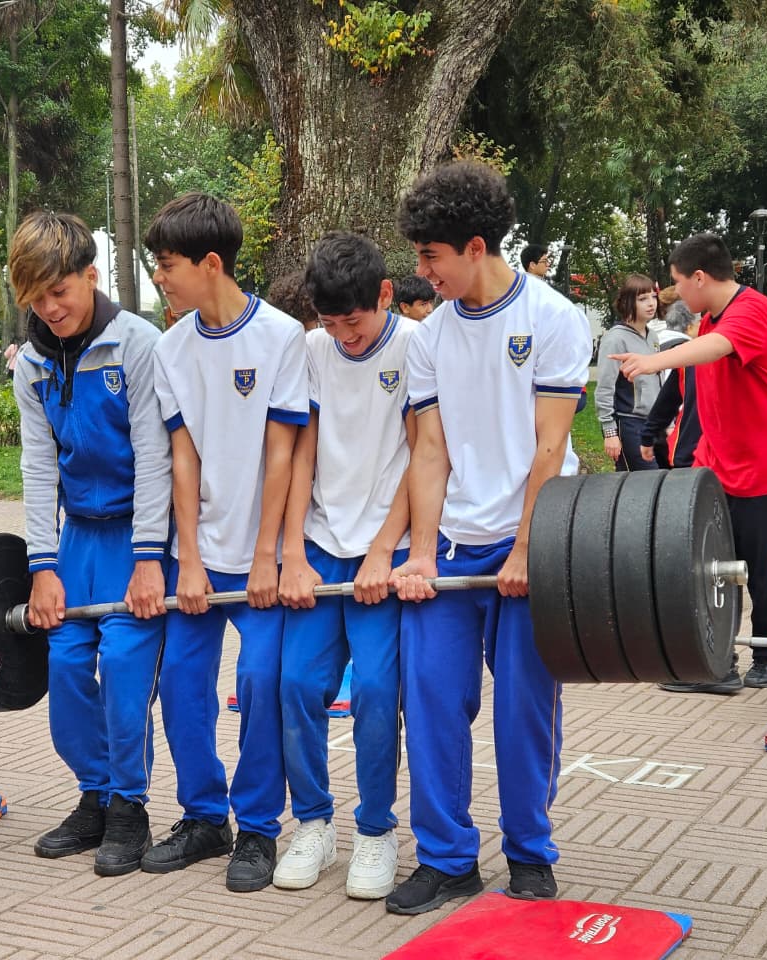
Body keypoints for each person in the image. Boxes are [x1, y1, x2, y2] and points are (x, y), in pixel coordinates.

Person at [387, 161, 591, 915]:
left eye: (430, 256)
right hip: (453, 548)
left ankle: (530, 854)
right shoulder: (429, 337)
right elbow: (430, 452)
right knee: (433, 697)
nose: (420, 271)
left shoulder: (554, 318)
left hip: (539, 538)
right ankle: (446, 859)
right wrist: (416, 553)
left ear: (475, 247)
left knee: (523, 709)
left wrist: (526, 549)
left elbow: (550, 446)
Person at [141, 192, 308, 892]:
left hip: (261, 558)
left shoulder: (280, 337)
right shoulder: (171, 348)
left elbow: (282, 455)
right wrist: (191, 558)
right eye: (155, 266)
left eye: (169, 266)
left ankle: (260, 828)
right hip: (199, 560)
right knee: (180, 684)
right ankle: (206, 817)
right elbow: (183, 457)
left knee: (260, 682)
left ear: (212, 263)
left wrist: (267, 554)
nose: (160, 279)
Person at [7, 210, 171, 876]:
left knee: (127, 673)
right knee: (68, 667)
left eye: (60, 292)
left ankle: (130, 806)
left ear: (90, 276)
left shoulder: (138, 344)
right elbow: (38, 466)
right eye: (36, 298)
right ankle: (95, 796)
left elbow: (156, 456)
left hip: (137, 533)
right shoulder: (34, 362)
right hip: (77, 540)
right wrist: (41, 567)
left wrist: (150, 559)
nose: (50, 309)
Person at [275, 231, 416, 899]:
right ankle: (312, 823)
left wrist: (387, 550)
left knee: (376, 693)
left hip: (381, 552)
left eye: (353, 322)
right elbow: (301, 454)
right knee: (294, 685)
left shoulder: (414, 349)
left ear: (383, 296)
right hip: (322, 548)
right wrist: (294, 552)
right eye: (330, 323)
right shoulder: (311, 350)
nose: (343, 336)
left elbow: (424, 458)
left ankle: (375, 831)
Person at [613, 232, 767, 691]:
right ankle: (715, 659)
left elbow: (716, 349)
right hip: (722, 468)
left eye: (679, 283)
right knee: (714, 568)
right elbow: (696, 382)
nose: (676, 293)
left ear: (700, 278)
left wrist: (649, 361)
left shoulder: (752, 312)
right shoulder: (709, 320)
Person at [594, 275, 661, 471]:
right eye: (642, 299)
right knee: (643, 484)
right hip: (629, 424)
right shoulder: (615, 339)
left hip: (653, 424)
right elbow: (605, 388)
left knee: (658, 485)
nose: (651, 304)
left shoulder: (653, 335)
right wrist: (610, 433)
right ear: (627, 302)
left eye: (653, 297)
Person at [639, 305, 702, 468]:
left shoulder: (656, 340)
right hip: (695, 444)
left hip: (686, 448)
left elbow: (667, 398)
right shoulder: (689, 353)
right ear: (689, 327)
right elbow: (669, 396)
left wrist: (649, 433)